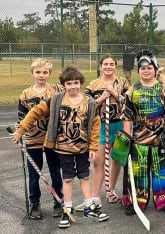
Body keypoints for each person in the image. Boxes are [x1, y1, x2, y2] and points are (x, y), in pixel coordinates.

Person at [12, 65, 109, 228]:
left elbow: (95, 126)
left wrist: (93, 147)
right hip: (63, 149)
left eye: (76, 83)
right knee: (68, 178)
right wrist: (21, 130)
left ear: (81, 83)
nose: (73, 86)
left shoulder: (90, 102)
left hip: (83, 149)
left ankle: (88, 207)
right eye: (69, 83)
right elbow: (35, 112)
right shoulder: (56, 100)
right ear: (64, 85)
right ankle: (67, 209)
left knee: (85, 177)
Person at [122, 50, 165, 215]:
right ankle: (136, 203)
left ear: (155, 69)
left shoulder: (163, 89)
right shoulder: (132, 90)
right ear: (138, 70)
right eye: (142, 68)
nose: (146, 71)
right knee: (138, 172)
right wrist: (126, 138)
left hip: (161, 140)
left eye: (149, 68)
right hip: (139, 140)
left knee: (163, 172)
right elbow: (127, 117)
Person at [16, 58, 64, 219]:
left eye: (45, 72)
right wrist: (20, 130)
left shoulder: (58, 90)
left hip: (52, 138)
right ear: (33, 73)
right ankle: (34, 203)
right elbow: (22, 118)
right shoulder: (25, 94)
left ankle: (58, 201)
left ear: (49, 74)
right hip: (33, 140)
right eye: (38, 72)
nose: (41, 75)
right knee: (34, 174)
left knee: (55, 171)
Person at [83, 55, 130, 210]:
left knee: (117, 159)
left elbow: (130, 104)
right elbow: (86, 107)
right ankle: (95, 196)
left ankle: (110, 190)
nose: (108, 66)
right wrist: (102, 97)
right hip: (100, 127)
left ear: (115, 66)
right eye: (105, 64)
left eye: (111, 64)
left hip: (119, 125)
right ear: (100, 66)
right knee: (98, 161)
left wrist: (115, 94)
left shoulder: (123, 82)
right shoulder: (93, 85)